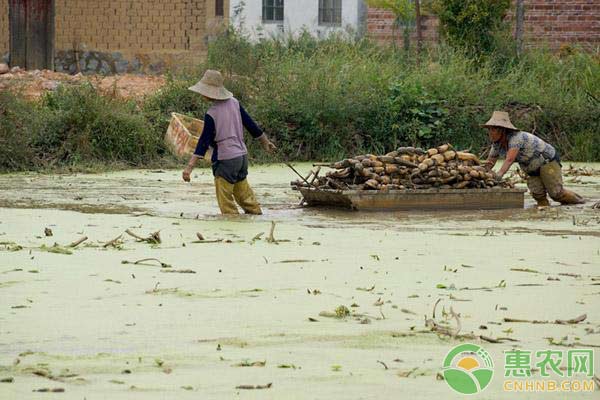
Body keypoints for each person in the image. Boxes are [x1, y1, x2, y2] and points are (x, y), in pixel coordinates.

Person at [182, 70, 276, 215]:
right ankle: (256, 217)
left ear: (209, 92)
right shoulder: (234, 103)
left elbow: (203, 142)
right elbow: (251, 125)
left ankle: (232, 229)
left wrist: (189, 167)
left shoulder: (211, 114)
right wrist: (265, 142)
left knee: (227, 205)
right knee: (246, 198)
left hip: (225, 161)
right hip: (241, 158)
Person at [482, 111, 584, 207]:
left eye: (493, 129)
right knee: (538, 195)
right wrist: (481, 172)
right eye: (489, 129)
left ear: (502, 130)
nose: (490, 132)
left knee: (557, 194)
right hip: (530, 167)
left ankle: (581, 203)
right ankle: (545, 213)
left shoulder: (516, 138)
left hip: (546, 162)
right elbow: (490, 163)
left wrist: (499, 175)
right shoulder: (496, 144)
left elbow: (509, 159)